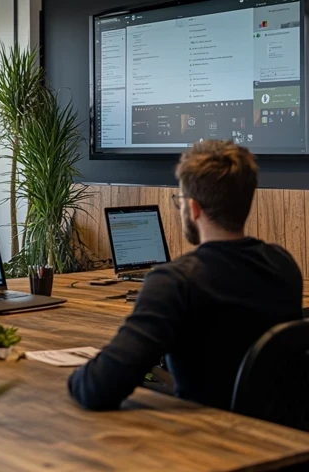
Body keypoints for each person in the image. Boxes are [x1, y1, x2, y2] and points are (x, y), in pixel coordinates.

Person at [68, 140, 302, 411]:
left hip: (204, 441)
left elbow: (97, 389)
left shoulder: (176, 282)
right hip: (281, 438)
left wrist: (71, 377)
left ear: (193, 208)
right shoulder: (283, 265)